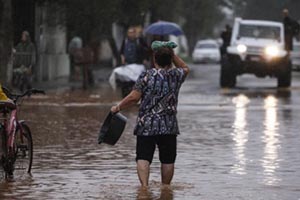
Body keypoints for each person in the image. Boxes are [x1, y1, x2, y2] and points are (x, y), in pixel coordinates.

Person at [111, 41, 190, 187]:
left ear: (155, 59)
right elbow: (185, 67)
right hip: (169, 126)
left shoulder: (146, 76)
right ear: (170, 59)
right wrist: (172, 55)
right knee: (167, 159)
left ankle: (144, 188)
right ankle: (165, 189)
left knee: (143, 157)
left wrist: (118, 107)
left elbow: (134, 97)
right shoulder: (176, 75)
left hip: (146, 125)